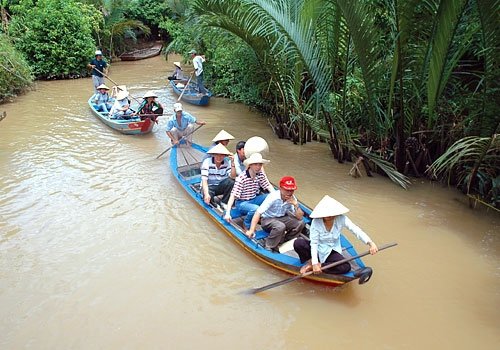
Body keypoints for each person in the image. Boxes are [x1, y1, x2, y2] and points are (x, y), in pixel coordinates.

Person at [293, 195, 379, 274]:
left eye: (331, 213)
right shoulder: (316, 222)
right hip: (317, 248)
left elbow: (356, 230)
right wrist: (315, 262)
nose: (329, 215)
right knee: (298, 243)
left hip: (331, 249)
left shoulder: (342, 219)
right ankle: (311, 262)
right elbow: (314, 243)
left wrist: (370, 243)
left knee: (346, 267)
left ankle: (318, 267)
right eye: (326, 212)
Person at [246, 176, 305, 252]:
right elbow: (258, 212)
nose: (289, 192)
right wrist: (251, 230)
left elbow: (300, 217)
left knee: (300, 223)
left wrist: (296, 205)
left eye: (291, 190)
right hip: (267, 219)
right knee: (280, 226)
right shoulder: (273, 197)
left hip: (282, 217)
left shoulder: (292, 198)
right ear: (281, 188)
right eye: (287, 190)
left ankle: (283, 242)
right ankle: (269, 245)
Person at [224, 153, 275, 231]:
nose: (258, 167)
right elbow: (233, 196)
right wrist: (227, 213)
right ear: (250, 165)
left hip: (254, 199)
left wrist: (276, 196)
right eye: (255, 164)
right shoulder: (242, 178)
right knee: (256, 209)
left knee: (271, 196)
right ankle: (247, 223)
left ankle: (266, 218)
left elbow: (268, 186)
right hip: (242, 203)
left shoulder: (260, 174)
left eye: (260, 165)